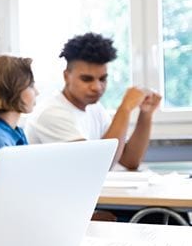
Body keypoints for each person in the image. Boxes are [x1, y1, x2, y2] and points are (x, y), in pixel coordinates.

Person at [25, 32, 161, 170]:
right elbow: (97, 166)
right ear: (66, 76)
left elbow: (129, 160)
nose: (97, 87)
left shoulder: (95, 108)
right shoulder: (52, 113)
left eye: (102, 79)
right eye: (86, 79)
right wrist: (125, 108)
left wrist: (145, 115)